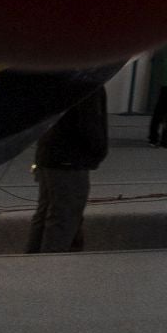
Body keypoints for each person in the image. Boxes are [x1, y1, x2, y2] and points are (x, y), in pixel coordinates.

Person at [26, 82, 108, 253]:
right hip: (70, 160)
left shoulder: (58, 75)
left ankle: (31, 263)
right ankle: (50, 269)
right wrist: (98, 152)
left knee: (45, 214)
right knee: (64, 218)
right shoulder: (87, 84)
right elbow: (90, 123)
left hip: (48, 154)